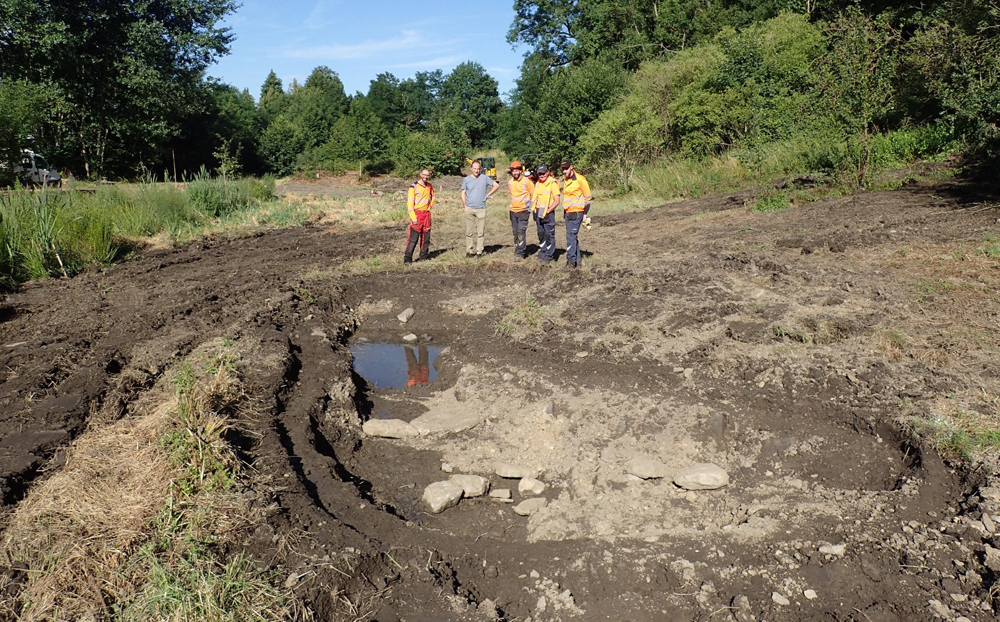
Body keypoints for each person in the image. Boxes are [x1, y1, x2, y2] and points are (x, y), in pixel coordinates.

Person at [460, 160, 500, 257]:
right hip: (469, 208)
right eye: (474, 168)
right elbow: (463, 192)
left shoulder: (485, 178)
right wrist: (465, 205)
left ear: (480, 169)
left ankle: (479, 251)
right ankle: (469, 251)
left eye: (478, 169)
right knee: (469, 232)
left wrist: (488, 194)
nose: (476, 170)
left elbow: (496, 185)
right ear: (471, 169)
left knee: (480, 232)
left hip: (481, 209)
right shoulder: (467, 179)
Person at [560, 160, 592, 268]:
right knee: (572, 237)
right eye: (563, 169)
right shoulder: (566, 180)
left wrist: (585, 214)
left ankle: (571, 262)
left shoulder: (580, 180)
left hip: (577, 212)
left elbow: (588, 198)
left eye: (566, 168)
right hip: (568, 213)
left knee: (570, 237)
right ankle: (577, 262)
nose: (564, 171)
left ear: (571, 167)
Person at [404, 169, 436, 264]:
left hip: (426, 215)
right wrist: (413, 217)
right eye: (424, 175)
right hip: (417, 214)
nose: (425, 177)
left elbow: (434, 196)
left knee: (426, 237)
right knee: (413, 238)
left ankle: (423, 256)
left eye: (427, 175)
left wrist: (429, 206)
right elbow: (410, 204)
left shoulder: (429, 186)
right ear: (420, 175)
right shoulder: (413, 187)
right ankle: (408, 258)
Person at [530, 165, 560, 264]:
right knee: (541, 233)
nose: (541, 175)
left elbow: (557, 201)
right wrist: (533, 208)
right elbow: (534, 197)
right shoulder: (538, 183)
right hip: (538, 211)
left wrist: (548, 211)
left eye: (543, 173)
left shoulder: (553, 184)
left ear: (547, 172)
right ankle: (543, 251)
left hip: (548, 213)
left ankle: (549, 255)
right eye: (540, 173)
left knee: (549, 234)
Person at [506, 161, 535, 261]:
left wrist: (529, 208)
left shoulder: (527, 182)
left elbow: (533, 195)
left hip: (523, 211)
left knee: (521, 231)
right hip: (513, 211)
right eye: (513, 171)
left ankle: (521, 253)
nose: (515, 173)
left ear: (520, 171)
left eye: (516, 170)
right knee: (515, 232)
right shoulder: (510, 182)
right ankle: (517, 248)